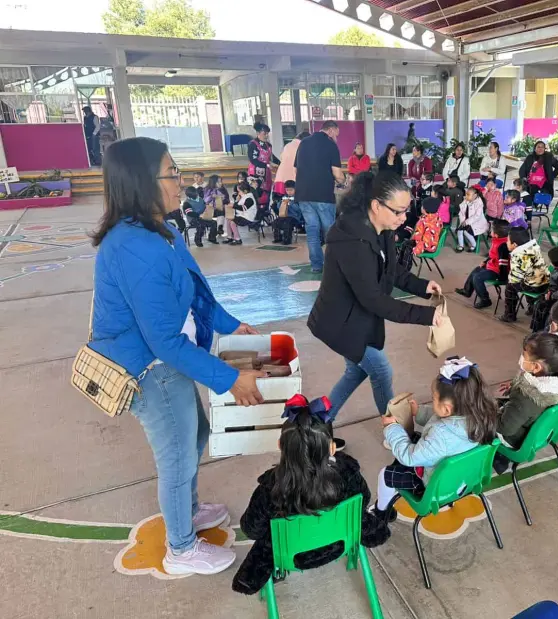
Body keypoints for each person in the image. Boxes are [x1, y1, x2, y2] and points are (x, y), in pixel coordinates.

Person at [88, 137, 263, 576]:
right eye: (172, 174)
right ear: (143, 181)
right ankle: (181, 548)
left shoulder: (159, 231)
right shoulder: (134, 247)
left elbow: (196, 293)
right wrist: (229, 378)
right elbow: (164, 341)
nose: (180, 184)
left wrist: (228, 324)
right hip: (150, 371)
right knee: (178, 456)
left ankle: (187, 510)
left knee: (196, 436)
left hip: (168, 362)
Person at [307, 172, 443, 448]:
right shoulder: (350, 240)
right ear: (376, 206)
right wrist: (426, 316)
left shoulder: (382, 231)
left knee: (356, 372)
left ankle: (317, 426)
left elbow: (393, 272)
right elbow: (373, 299)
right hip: (341, 324)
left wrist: (422, 286)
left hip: (358, 320)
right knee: (380, 371)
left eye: (407, 210)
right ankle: (395, 433)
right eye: (399, 211)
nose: (404, 217)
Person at [232, 397, 390, 595]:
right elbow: (364, 499)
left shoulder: (270, 488)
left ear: (281, 445)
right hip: (340, 543)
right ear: (332, 447)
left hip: (291, 557)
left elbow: (251, 529)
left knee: (265, 543)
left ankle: (254, 580)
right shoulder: (347, 472)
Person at [372, 358, 497, 521]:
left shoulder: (440, 434)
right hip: (463, 480)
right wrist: (420, 412)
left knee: (385, 475)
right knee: (415, 438)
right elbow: (441, 419)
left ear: (446, 408)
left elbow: (409, 457)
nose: (432, 400)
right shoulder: (480, 416)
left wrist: (392, 428)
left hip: (433, 488)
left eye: (433, 398)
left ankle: (381, 512)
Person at [493, 333, 558, 473]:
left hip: (516, 440)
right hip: (542, 433)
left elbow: (504, 428)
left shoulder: (525, 397)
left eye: (524, 354)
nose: (521, 357)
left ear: (536, 367)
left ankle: (500, 457)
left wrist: (485, 413)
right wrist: (517, 384)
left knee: (474, 418)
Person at [295, 121, 344, 273]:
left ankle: (316, 265)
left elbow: (296, 171)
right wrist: (344, 181)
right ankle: (333, 266)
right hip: (323, 195)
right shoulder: (330, 145)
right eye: (336, 133)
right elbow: (337, 173)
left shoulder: (303, 143)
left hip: (303, 194)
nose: (337, 137)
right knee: (330, 231)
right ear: (330, 130)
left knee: (312, 231)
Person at [455, 220, 511, 309]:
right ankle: (467, 291)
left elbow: (503, 264)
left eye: (492, 230)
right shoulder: (496, 240)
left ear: (496, 234)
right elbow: (493, 255)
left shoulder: (503, 246)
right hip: (492, 266)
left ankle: (485, 299)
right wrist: (485, 262)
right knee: (476, 270)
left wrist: (502, 278)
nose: (490, 231)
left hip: (498, 272)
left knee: (478, 277)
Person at [499, 227, 549, 324]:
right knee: (526, 280)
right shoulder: (534, 247)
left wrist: (509, 278)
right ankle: (532, 306)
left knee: (510, 287)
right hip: (545, 282)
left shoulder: (518, 255)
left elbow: (515, 277)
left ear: (515, 245)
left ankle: (509, 315)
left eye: (508, 241)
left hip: (534, 285)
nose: (506, 243)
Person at [247, 122, 280, 204]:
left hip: (266, 173)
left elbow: (271, 157)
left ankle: (266, 212)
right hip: (255, 174)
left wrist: (281, 163)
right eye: (264, 133)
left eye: (267, 133)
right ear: (258, 133)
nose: (266, 136)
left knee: (267, 193)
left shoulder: (268, 145)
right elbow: (253, 160)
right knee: (257, 195)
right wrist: (267, 165)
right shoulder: (253, 144)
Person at [273, 131, 309, 196]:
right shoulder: (303, 146)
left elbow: (282, 158)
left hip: (280, 179)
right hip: (294, 181)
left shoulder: (287, 146)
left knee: (282, 203)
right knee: (295, 204)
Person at [455, 185, 488, 253]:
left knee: (465, 232)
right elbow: (461, 212)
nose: (466, 196)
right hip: (465, 222)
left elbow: (477, 216)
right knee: (459, 231)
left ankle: (474, 245)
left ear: (475, 195)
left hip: (476, 223)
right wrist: (462, 221)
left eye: (468, 195)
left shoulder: (479, 203)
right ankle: (461, 246)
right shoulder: (466, 201)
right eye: (466, 194)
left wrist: (466, 222)